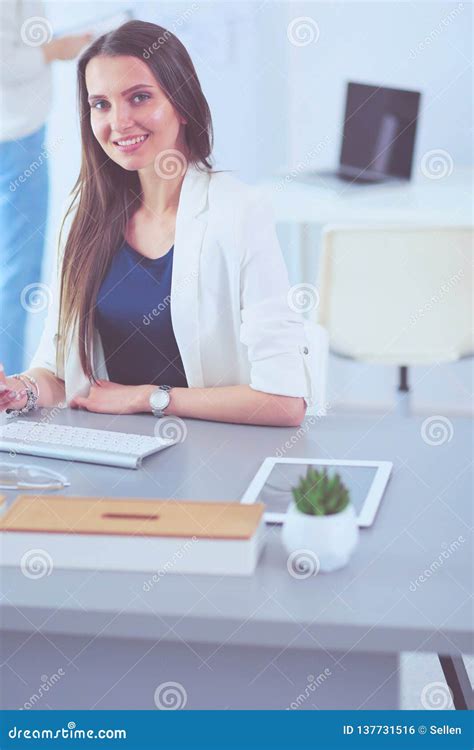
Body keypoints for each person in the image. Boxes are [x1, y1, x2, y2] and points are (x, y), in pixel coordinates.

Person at [0, 20, 312, 427]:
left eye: (140, 97)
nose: (119, 122)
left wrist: (149, 399)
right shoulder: (82, 214)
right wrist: (20, 390)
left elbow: (285, 402)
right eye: (101, 104)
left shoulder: (238, 212)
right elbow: (60, 376)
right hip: (112, 458)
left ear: (181, 104)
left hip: (212, 457)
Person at [0, 0, 91, 374]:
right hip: (14, 134)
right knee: (17, 269)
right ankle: (6, 391)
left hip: (17, 133)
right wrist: (57, 49)